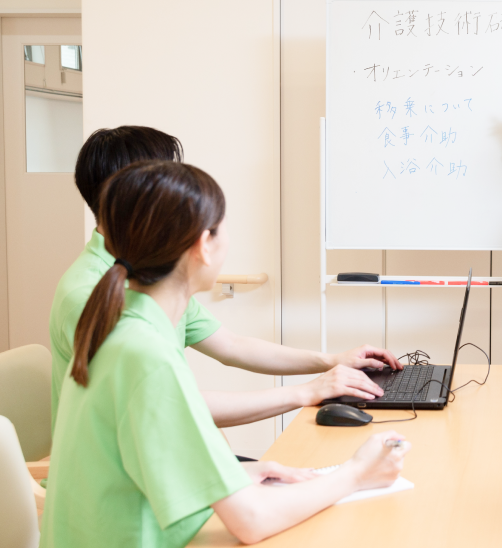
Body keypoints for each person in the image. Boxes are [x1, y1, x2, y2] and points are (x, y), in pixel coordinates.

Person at [40, 160, 411, 547]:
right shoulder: (146, 353)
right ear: (204, 244)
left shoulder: (123, 323)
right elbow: (251, 521)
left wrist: (232, 477)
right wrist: (357, 473)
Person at [49, 126, 399, 436]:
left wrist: (331, 361)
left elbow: (231, 346)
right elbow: (170, 406)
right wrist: (307, 391)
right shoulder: (90, 295)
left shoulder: (150, 272)